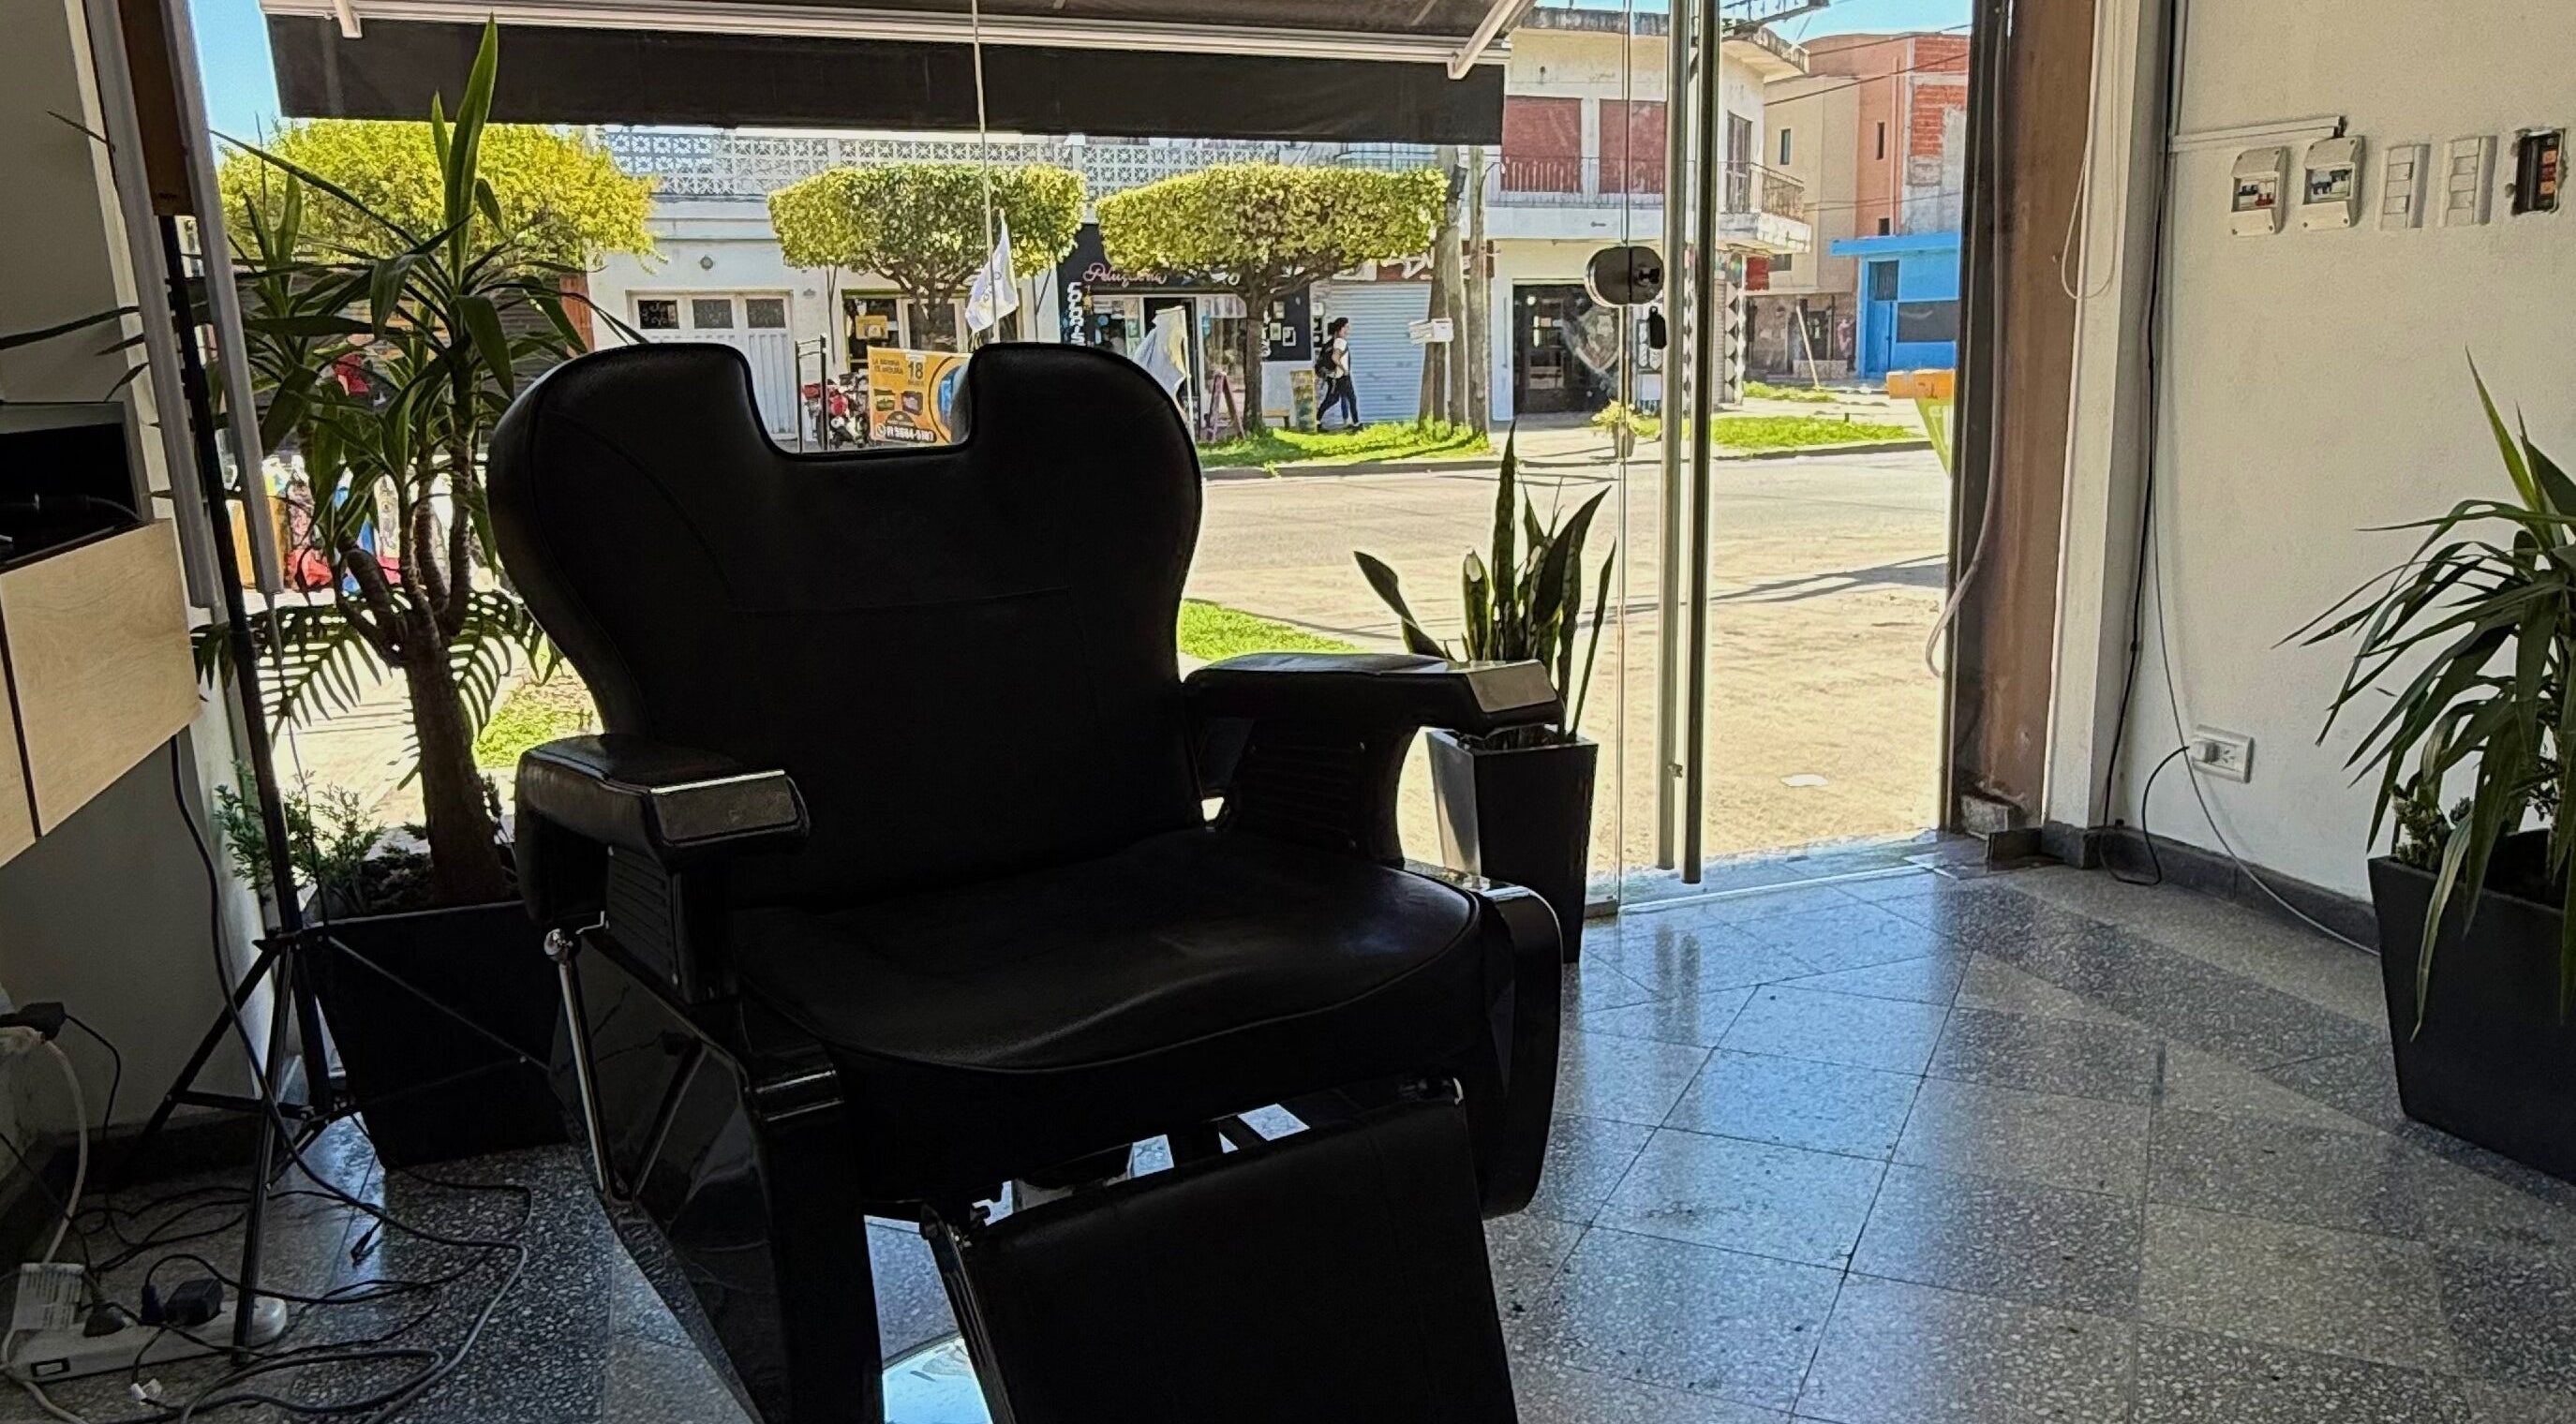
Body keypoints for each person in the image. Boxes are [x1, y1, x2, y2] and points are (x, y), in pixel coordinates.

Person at [1315, 317, 1360, 429]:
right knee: (1346, 398)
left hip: (1334, 377)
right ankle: (1356, 423)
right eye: (1346, 327)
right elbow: (1335, 358)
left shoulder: (1328, 344)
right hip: (1341, 377)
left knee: (1338, 398)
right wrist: (1344, 369)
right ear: (1340, 329)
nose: (1348, 330)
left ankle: (1318, 421)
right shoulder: (1339, 342)